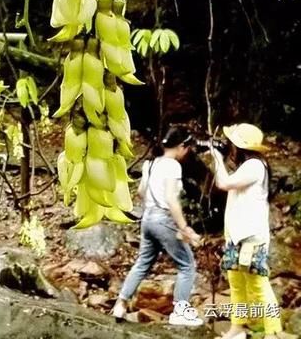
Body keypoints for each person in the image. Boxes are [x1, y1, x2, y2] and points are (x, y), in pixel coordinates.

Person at [112, 126, 204, 327]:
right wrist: (184, 227)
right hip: (163, 219)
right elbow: (171, 199)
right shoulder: (172, 166)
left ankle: (120, 304)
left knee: (142, 263)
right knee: (187, 265)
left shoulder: (151, 164)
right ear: (181, 146)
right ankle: (180, 311)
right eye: (187, 148)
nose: (187, 153)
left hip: (147, 219)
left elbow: (141, 192)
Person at [210, 123, 282, 339]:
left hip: (251, 237)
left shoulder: (255, 166)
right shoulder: (248, 166)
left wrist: (217, 158)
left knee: (258, 284)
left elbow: (224, 183)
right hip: (236, 236)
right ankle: (238, 328)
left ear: (239, 146)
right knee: (236, 283)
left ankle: (273, 331)